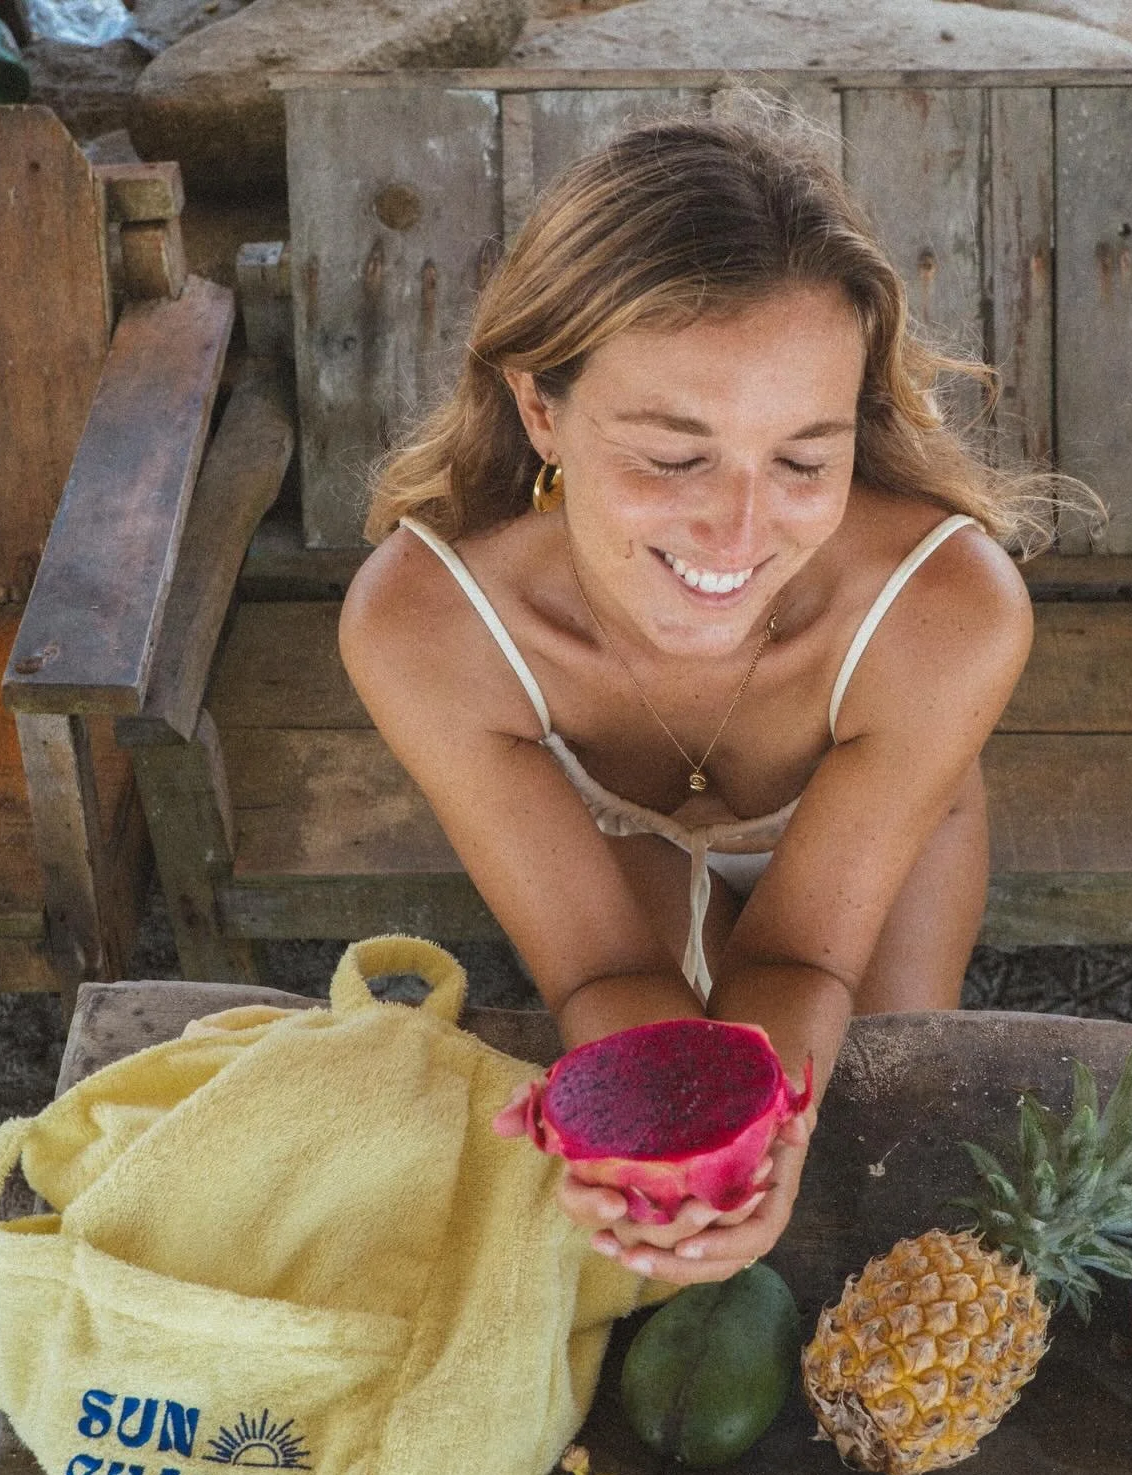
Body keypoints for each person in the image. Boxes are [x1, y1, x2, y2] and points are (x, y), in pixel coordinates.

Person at [340, 112, 1056, 1294]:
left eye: (804, 461)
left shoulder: (948, 613)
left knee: (872, 1144)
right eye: (674, 457)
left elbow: (804, 960)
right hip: (617, 828)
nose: (738, 534)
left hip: (872, 821)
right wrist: (661, 1164)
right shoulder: (426, 629)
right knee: (657, 1199)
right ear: (540, 409)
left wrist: (765, 1147)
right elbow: (599, 977)